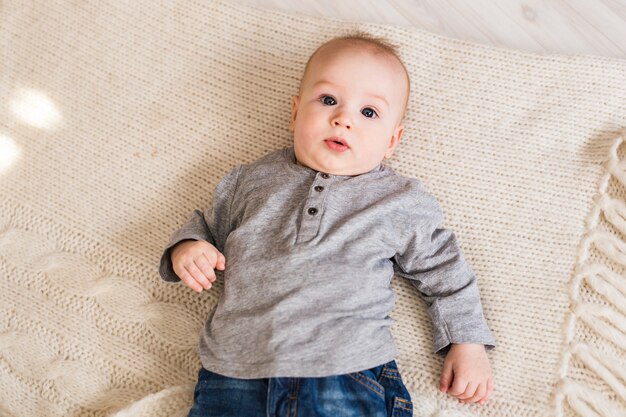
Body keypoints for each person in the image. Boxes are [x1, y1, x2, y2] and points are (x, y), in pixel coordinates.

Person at [159, 31, 496, 416]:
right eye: (329, 100)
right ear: (295, 112)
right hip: (234, 374)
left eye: (368, 113)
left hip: (347, 373)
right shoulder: (248, 181)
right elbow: (206, 227)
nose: (342, 119)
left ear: (391, 141)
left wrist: (466, 343)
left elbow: (446, 272)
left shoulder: (398, 200)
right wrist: (188, 249)